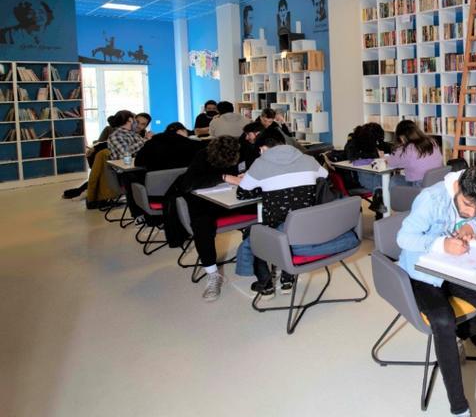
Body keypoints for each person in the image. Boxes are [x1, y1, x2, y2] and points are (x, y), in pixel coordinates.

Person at [397, 166, 476, 417]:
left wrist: (470, 226)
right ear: (458, 188)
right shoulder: (431, 199)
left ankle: (455, 338)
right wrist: (441, 244)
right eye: (467, 205)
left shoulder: (475, 197)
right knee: (443, 321)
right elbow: (404, 238)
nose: (471, 211)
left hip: (455, 267)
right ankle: (460, 411)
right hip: (422, 271)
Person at [229, 135, 356, 295]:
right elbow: (324, 176)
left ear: (263, 148)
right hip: (310, 227)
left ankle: (265, 284)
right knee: (288, 226)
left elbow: (242, 193)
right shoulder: (308, 159)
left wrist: (263, 186)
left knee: (254, 233)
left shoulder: (260, 164)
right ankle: (287, 278)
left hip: (280, 232)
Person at [167, 136, 245, 302]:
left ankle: (254, 258)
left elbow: (242, 170)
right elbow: (189, 183)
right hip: (203, 202)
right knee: (202, 225)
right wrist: (223, 177)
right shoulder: (203, 155)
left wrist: (245, 175)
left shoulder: (242, 152)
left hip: (229, 198)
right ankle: (212, 273)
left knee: (262, 210)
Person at [62, 115, 120, 199]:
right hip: (109, 158)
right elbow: (104, 142)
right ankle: (82, 191)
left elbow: (102, 141)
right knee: (100, 172)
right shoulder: (114, 131)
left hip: (113, 160)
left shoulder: (113, 130)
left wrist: (96, 146)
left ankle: (81, 191)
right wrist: (95, 147)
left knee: (100, 173)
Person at [385, 119, 442, 186]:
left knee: (394, 179)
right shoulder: (432, 142)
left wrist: (386, 158)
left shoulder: (407, 149)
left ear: (402, 137)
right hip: (436, 183)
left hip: (419, 186)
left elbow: (391, 163)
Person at [134, 122, 202, 171]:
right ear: (180, 131)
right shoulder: (193, 145)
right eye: (187, 133)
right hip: (183, 183)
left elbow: (138, 163)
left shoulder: (151, 143)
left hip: (154, 183)